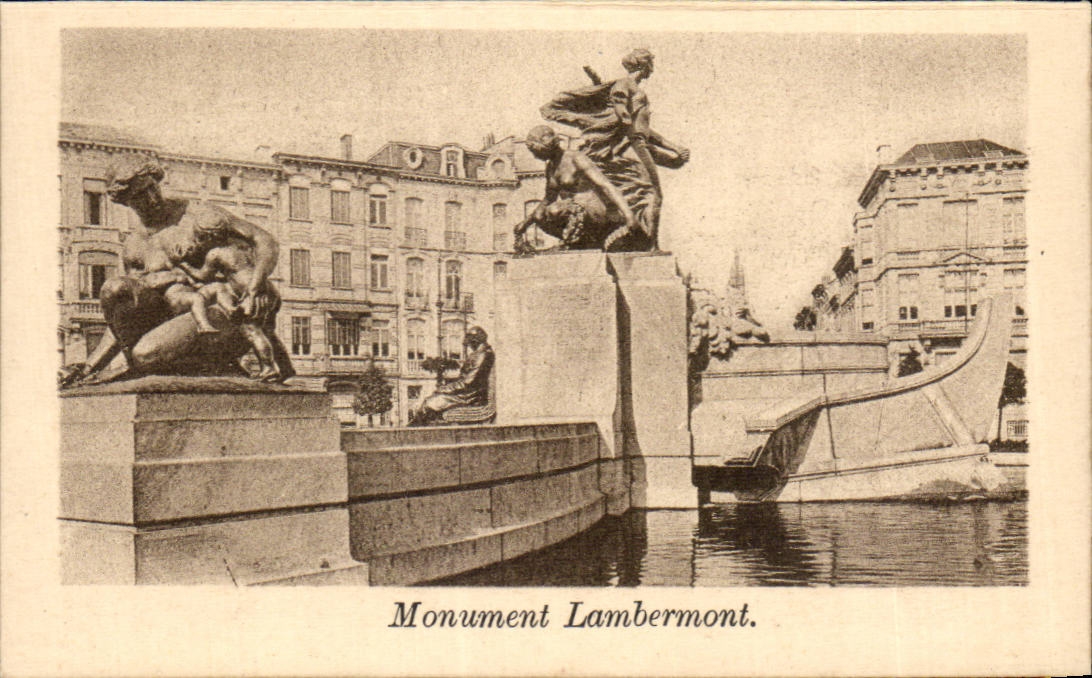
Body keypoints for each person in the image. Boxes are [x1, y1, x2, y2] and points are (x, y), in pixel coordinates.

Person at [59, 157, 293, 386]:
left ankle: (218, 366)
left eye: (153, 188)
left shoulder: (197, 215)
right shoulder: (134, 246)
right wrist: (89, 367)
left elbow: (265, 240)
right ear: (124, 201)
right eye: (140, 195)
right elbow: (124, 321)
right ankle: (174, 365)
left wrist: (256, 287)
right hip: (182, 318)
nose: (152, 198)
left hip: (229, 309)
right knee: (115, 289)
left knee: (145, 356)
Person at [541, 48, 690, 250]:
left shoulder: (631, 87)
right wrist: (621, 114)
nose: (652, 71)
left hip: (637, 143)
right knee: (652, 195)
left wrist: (674, 147)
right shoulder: (624, 85)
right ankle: (649, 245)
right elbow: (630, 121)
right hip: (633, 145)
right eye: (650, 66)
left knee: (646, 194)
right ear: (644, 66)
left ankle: (646, 242)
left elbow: (642, 129)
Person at [513, 125, 638, 252]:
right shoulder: (550, 167)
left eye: (536, 151)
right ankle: (579, 242)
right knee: (540, 216)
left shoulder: (575, 158)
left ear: (546, 145)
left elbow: (605, 185)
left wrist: (628, 214)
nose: (535, 156)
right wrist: (526, 223)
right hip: (574, 210)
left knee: (555, 210)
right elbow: (548, 198)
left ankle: (571, 241)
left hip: (595, 209)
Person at [176, 244, 282, 382]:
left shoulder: (216, 252)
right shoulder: (244, 249)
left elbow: (202, 275)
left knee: (252, 330)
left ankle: (269, 369)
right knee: (267, 332)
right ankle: (285, 368)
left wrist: (183, 264)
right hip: (269, 290)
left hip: (251, 294)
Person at [412, 326, 494, 426]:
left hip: (470, 396)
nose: (469, 346)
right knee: (429, 402)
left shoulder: (482, 355)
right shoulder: (478, 354)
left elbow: (468, 382)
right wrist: (446, 388)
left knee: (429, 404)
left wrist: (445, 388)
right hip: (465, 393)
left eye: (470, 342)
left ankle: (413, 433)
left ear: (475, 340)